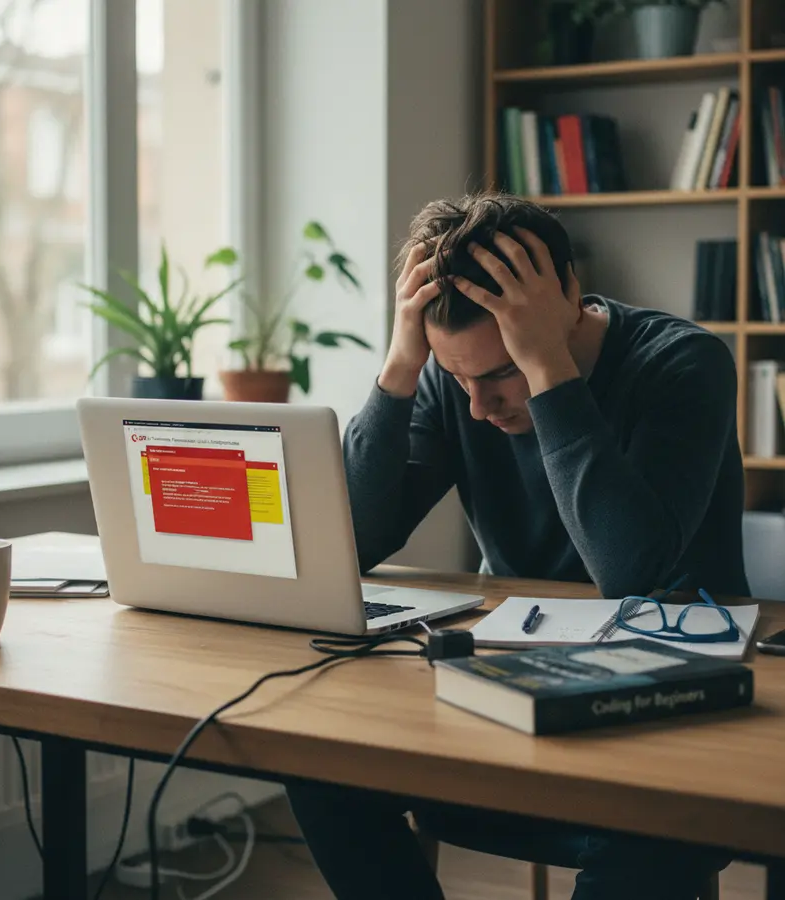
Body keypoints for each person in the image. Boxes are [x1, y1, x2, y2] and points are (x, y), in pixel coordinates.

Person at [287, 192, 746, 900]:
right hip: (503, 690)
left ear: (565, 293)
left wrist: (546, 370)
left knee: (657, 834)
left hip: (664, 713)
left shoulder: (684, 364)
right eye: (457, 376)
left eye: (500, 375)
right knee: (318, 768)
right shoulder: (455, 381)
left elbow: (633, 571)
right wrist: (403, 369)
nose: (478, 407)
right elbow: (350, 542)